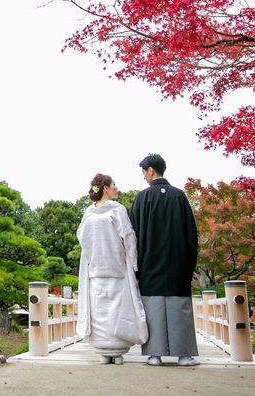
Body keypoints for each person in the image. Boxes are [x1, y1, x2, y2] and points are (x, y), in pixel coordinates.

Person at [129, 153, 199, 366]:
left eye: (144, 172)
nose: (143, 177)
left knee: (153, 308)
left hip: (149, 264)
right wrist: (189, 265)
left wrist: (135, 267)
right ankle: (184, 355)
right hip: (178, 264)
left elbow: (133, 236)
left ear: (151, 170)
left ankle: (154, 355)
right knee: (180, 307)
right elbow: (191, 234)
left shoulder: (142, 198)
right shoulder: (179, 196)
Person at [77, 173, 148, 365]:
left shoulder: (88, 214)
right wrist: (134, 264)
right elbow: (129, 237)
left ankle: (103, 351)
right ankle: (116, 351)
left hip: (96, 270)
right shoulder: (117, 210)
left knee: (100, 310)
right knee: (118, 309)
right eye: (114, 184)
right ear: (106, 188)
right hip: (117, 268)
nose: (117, 187)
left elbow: (82, 239)